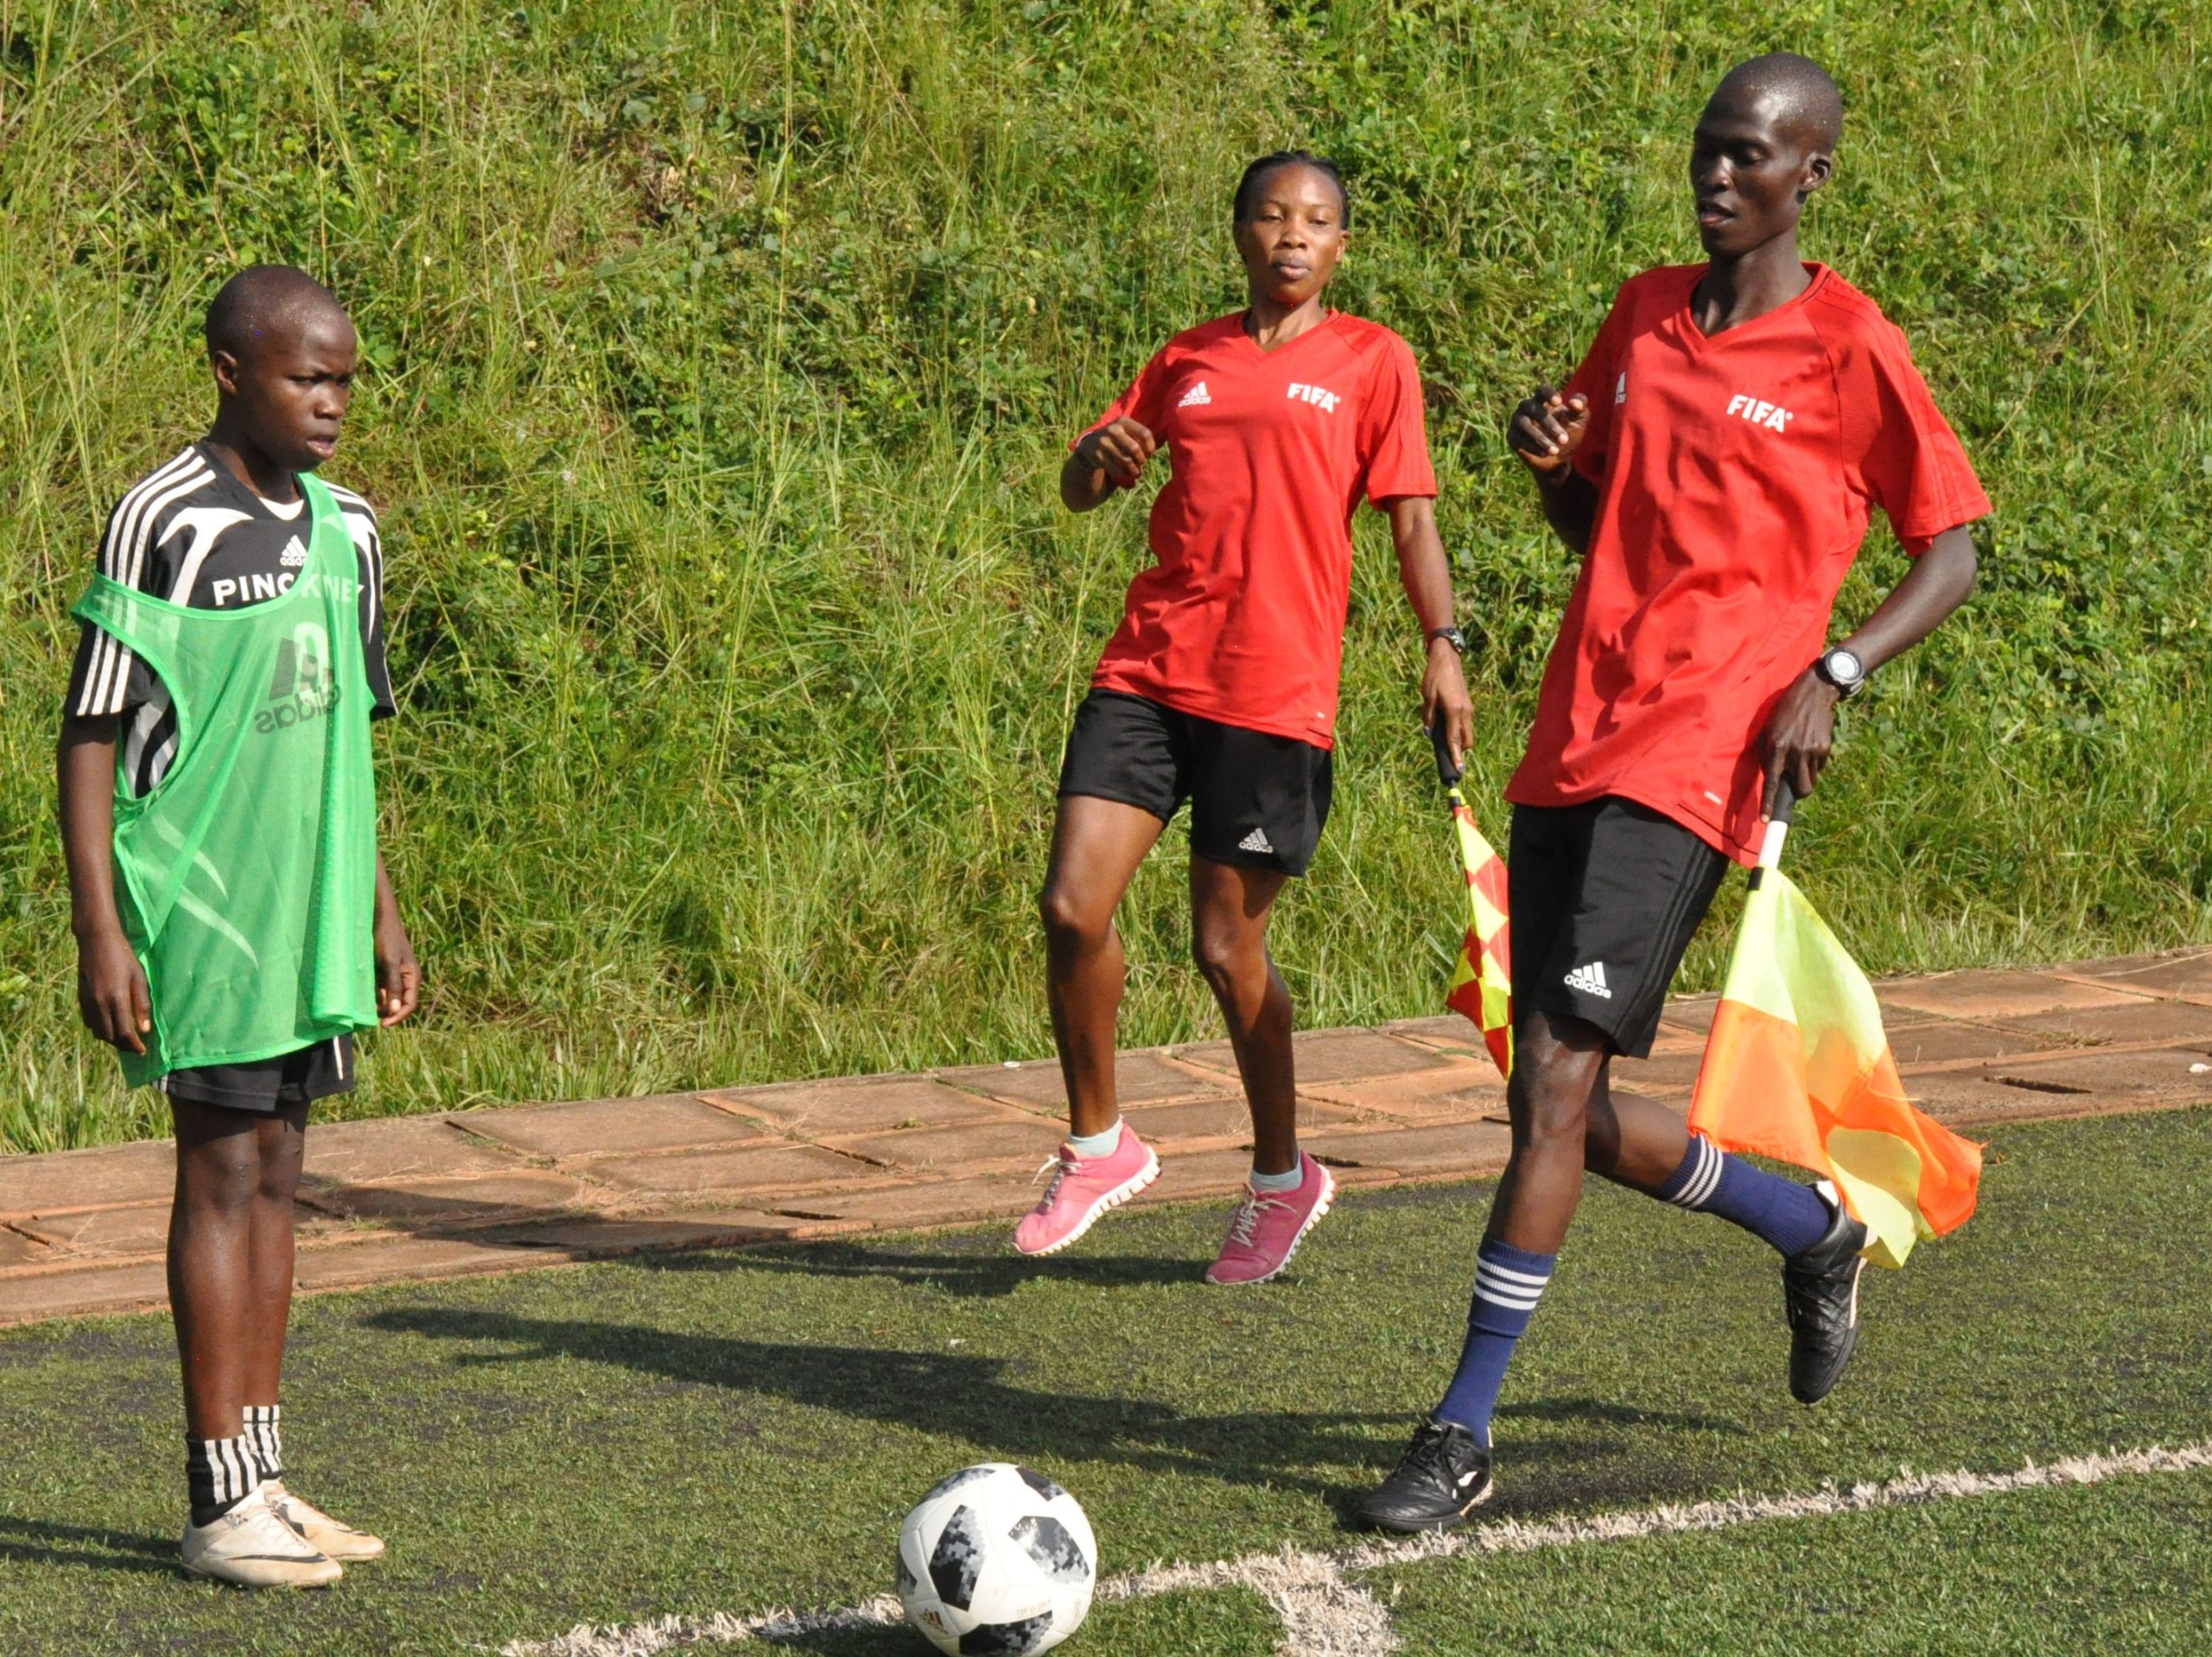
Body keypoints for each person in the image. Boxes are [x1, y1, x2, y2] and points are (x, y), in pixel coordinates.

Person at [1357, 54, 1991, 1530]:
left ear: (1810, 177)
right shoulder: (1643, 312)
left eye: (1750, 156)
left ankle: (1460, 1429)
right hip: (1575, 728)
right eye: (1708, 148)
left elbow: (1953, 548)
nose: (1718, 174)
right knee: (1555, 1102)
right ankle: (1807, 1223)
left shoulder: (1850, 345)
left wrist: (1834, 672)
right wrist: (1548, 468)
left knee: (1555, 1083)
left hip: (1702, 752)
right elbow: (1597, 520)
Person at [1014, 150, 1475, 1285]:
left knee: (1226, 949)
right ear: (1240, 233)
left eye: (1316, 220)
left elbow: (1413, 520)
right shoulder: (1188, 358)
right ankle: (1099, 1145)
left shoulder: (1374, 360)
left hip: (1273, 689)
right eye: (1272, 215)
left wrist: (1443, 644)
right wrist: (1095, 460)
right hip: (1148, 667)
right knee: (1072, 907)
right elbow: (1085, 486)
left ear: (1341, 247)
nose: (1292, 235)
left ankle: (1281, 1175)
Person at [57, 266, 421, 1586]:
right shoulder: (162, 518)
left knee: (278, 1174)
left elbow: (347, 738)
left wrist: (379, 910)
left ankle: (262, 1478)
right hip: (206, 903)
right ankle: (216, 1504)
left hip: (311, 905)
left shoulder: (352, 529)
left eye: (345, 382)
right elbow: (89, 732)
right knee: (216, 1177)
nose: (332, 404)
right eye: (306, 378)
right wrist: (101, 929)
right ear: (229, 372)